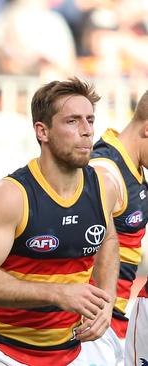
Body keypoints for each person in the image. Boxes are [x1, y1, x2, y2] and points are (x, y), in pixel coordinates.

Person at [0, 77, 120, 365]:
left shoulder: (104, 186)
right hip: (6, 352)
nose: (86, 132)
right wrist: (56, 293)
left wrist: (107, 299)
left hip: (75, 350)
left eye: (89, 120)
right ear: (42, 131)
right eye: (72, 121)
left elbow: (107, 237)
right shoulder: (10, 195)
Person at [93, 91, 148, 366]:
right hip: (94, 323)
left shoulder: (134, 166)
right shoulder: (106, 172)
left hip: (113, 318)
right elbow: (82, 242)